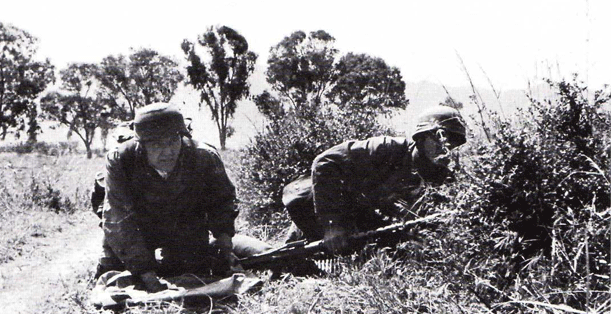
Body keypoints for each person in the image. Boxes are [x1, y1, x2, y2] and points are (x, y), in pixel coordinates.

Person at [96, 102, 270, 292]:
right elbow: (118, 220)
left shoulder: (203, 156)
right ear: (141, 145)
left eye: (173, 141)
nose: (168, 152)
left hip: (182, 223)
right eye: (157, 144)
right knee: (115, 275)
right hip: (138, 226)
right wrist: (146, 273)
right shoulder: (121, 160)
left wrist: (225, 245)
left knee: (189, 270)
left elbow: (222, 202)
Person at [282, 105, 467, 254]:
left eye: (453, 142)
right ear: (421, 138)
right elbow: (324, 162)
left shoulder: (442, 176)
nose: (446, 147)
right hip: (313, 205)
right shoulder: (387, 149)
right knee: (286, 258)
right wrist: (332, 225)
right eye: (439, 138)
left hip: (362, 218)